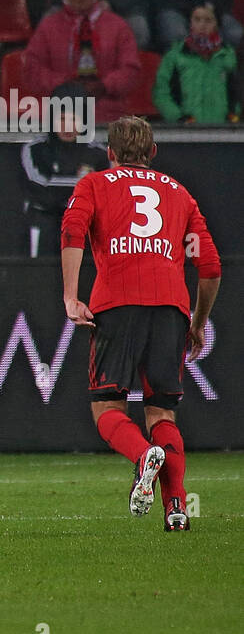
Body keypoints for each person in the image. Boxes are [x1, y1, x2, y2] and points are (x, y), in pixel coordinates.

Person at [60, 115, 221, 531]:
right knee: (162, 414)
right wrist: (198, 322)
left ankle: (142, 455)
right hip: (170, 309)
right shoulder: (181, 194)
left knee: (106, 409)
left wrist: (71, 296)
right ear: (153, 152)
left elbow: (72, 231)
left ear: (110, 154)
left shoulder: (93, 184)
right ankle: (177, 508)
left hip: (115, 305)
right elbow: (210, 266)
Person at [22, 0, 142, 127]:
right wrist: (66, 85)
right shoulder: (48, 26)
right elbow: (32, 69)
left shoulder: (118, 26)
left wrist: (104, 86)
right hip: (58, 113)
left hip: (108, 113)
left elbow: (130, 70)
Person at [21, 82, 108, 258]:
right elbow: (41, 191)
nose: (67, 127)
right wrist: (82, 189)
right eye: (61, 119)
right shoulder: (34, 149)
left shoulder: (99, 153)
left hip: (86, 228)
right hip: (45, 226)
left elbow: (105, 196)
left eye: (73, 119)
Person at [154, 2, 242, 124]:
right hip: (183, 131)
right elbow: (161, 92)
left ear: (217, 24)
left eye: (208, 20)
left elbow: (238, 91)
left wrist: (233, 114)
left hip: (222, 131)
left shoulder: (229, 56)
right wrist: (178, 118)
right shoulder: (174, 56)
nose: (202, 25)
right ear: (190, 23)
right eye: (197, 19)